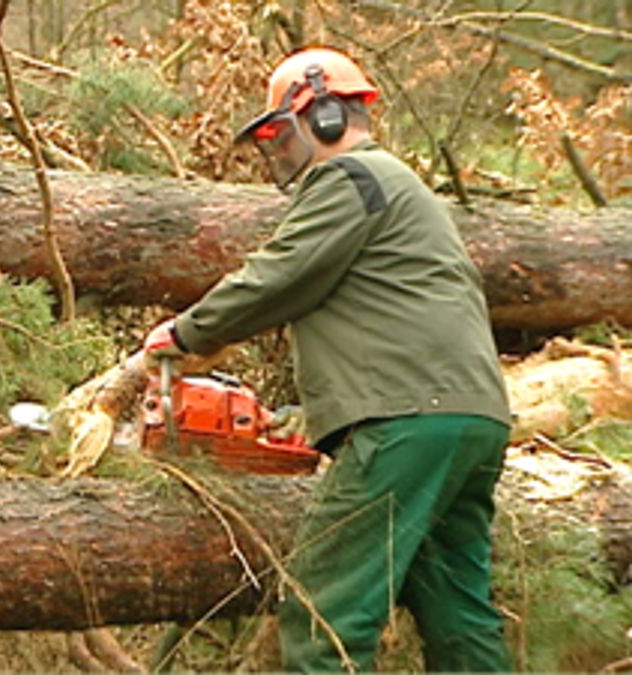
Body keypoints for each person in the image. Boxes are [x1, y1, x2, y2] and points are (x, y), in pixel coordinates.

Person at [142, 47, 512, 672]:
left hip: (407, 420)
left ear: (327, 117)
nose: (281, 152)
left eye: (283, 134)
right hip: (469, 417)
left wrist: (185, 334)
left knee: (326, 617)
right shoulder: (398, 188)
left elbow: (280, 276)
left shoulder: (352, 179)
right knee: (459, 616)